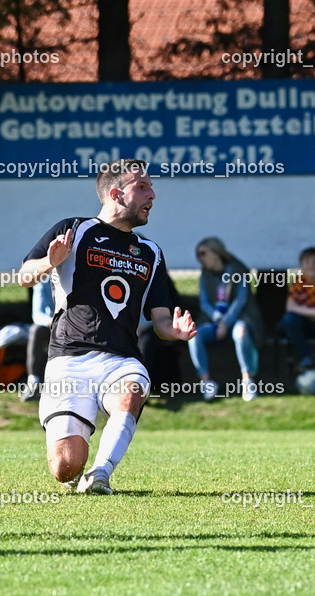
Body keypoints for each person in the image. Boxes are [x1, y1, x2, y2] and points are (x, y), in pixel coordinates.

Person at [18, 158, 196, 495]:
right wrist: (49, 263)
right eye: (142, 187)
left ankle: (101, 474)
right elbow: (25, 276)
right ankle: (79, 465)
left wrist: (174, 330)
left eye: (151, 186)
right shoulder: (74, 229)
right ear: (115, 193)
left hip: (122, 358)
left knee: (132, 392)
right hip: (69, 358)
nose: (152, 194)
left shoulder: (150, 253)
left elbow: (158, 320)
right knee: (64, 467)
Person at [190, 237, 263, 402]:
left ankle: (247, 380)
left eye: (203, 253)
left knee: (241, 332)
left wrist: (225, 322)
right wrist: (217, 319)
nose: (200, 258)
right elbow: (204, 302)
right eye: (197, 254)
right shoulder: (205, 274)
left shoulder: (237, 269)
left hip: (239, 318)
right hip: (214, 319)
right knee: (194, 335)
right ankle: (206, 383)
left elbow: (241, 301)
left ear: (216, 252)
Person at [280, 247, 315, 372]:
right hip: (305, 325)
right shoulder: (299, 282)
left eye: (314, 262)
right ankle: (306, 358)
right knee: (289, 320)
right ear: (301, 265)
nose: (311, 266)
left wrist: (301, 309)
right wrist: (311, 312)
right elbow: (290, 306)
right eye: (307, 262)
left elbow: (295, 307)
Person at [21, 279, 54, 402]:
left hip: (74, 325)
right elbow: (37, 315)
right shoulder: (43, 280)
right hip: (52, 324)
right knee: (36, 331)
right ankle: (34, 382)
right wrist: (51, 321)